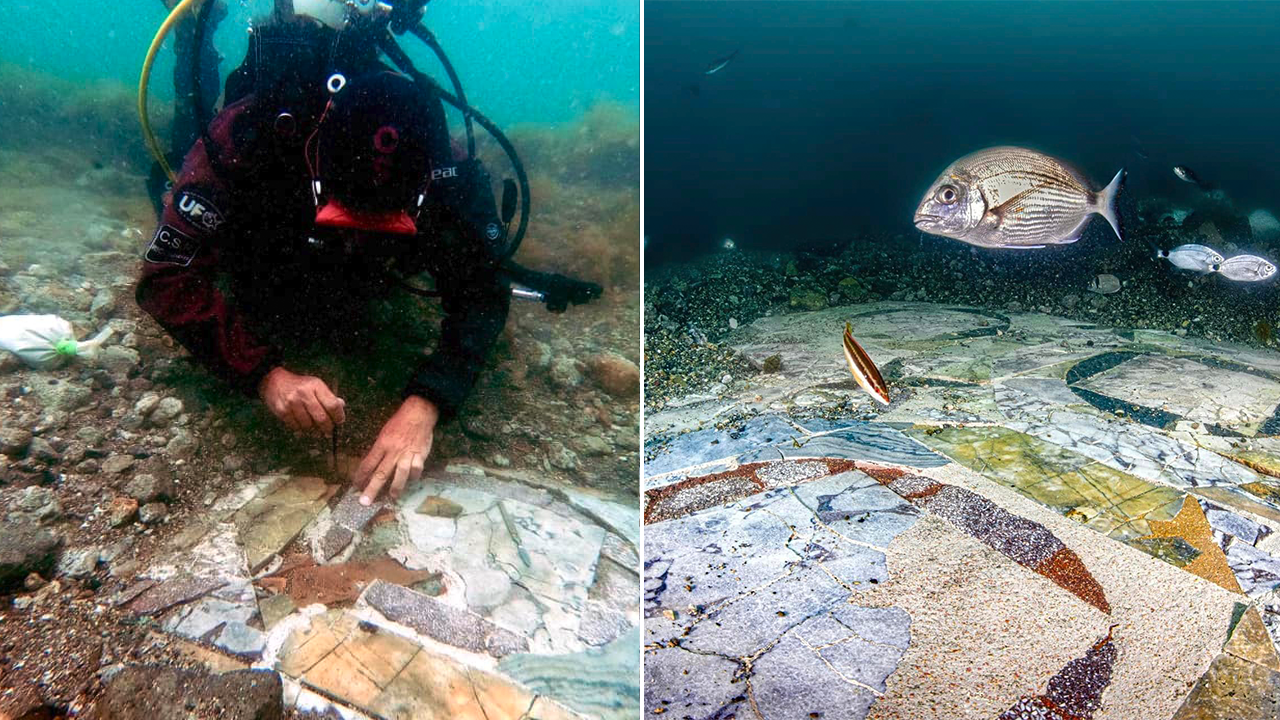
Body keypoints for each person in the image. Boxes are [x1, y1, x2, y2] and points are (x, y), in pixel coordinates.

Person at [136, 67, 511, 507]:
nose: (355, 237)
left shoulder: (446, 165)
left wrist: (427, 402)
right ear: (315, 162)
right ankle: (192, 47)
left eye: (383, 223)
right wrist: (264, 374)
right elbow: (165, 276)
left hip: (368, 280)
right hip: (264, 256)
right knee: (181, 151)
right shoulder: (250, 134)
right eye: (346, 216)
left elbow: (485, 292)